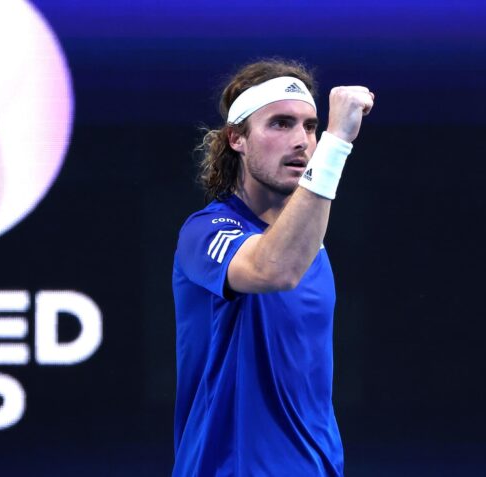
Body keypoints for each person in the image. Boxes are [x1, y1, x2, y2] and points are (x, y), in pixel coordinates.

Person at [171, 58, 374, 476]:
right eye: (280, 124)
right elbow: (272, 270)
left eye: (311, 127)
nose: (301, 141)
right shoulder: (205, 232)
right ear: (237, 138)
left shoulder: (313, 248)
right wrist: (336, 142)